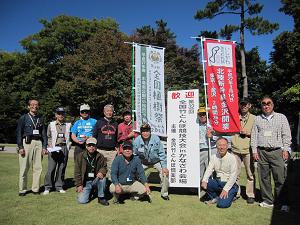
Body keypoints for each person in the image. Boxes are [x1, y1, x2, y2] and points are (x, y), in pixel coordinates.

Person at [251, 96, 292, 209]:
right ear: (261, 106)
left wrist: (286, 149)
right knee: (264, 178)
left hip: (277, 151)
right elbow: (254, 136)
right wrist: (254, 151)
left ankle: (283, 202)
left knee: (280, 178)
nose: (266, 105)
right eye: (264, 104)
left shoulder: (281, 117)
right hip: (262, 152)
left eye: (269, 103)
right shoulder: (258, 119)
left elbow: (286, 135)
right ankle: (268, 200)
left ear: (273, 105)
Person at [16, 99, 47, 196]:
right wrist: (20, 146)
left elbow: (44, 134)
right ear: (28, 106)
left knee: (38, 167)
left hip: (38, 142)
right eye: (32, 105)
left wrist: (44, 147)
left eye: (36, 105)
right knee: (24, 167)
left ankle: (35, 189)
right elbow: (19, 133)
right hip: (27, 143)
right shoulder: (23, 118)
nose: (35, 106)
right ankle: (22, 190)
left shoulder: (41, 118)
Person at [133, 123, 169, 200]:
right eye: (143, 131)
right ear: (141, 132)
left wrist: (164, 167)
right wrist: (136, 167)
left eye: (147, 131)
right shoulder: (136, 141)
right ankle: (139, 192)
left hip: (156, 161)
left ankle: (164, 193)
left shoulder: (156, 139)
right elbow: (135, 155)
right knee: (135, 173)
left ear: (150, 131)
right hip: (143, 162)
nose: (145, 133)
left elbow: (162, 154)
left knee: (164, 173)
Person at [231, 98, 256, 204]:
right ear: (239, 105)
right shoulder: (234, 117)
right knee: (235, 173)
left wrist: (248, 133)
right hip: (235, 149)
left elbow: (258, 134)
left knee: (250, 173)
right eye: (242, 104)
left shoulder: (255, 118)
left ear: (250, 105)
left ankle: (250, 194)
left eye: (246, 104)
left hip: (248, 149)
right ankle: (236, 193)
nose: (244, 106)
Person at [201, 137, 238, 208]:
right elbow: (209, 169)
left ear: (227, 146)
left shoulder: (232, 158)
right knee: (204, 182)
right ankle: (216, 197)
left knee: (222, 205)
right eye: (219, 145)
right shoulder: (213, 157)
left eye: (224, 145)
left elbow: (233, 176)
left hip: (229, 184)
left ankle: (231, 196)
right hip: (218, 182)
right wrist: (204, 180)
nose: (222, 147)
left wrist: (225, 189)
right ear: (216, 146)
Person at [43, 107, 72, 195]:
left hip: (64, 148)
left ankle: (59, 186)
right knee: (51, 168)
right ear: (56, 115)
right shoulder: (51, 124)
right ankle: (48, 187)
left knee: (62, 168)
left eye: (62, 113)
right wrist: (49, 145)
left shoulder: (68, 125)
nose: (61, 115)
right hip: (54, 148)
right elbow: (48, 136)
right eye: (59, 113)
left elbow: (71, 136)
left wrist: (69, 146)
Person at [74, 137, 109, 205]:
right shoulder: (80, 156)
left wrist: (101, 172)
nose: (91, 147)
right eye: (89, 145)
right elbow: (77, 172)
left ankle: (101, 197)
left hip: (96, 180)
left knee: (103, 179)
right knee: (82, 201)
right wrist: (79, 185)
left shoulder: (100, 156)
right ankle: (90, 191)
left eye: (93, 145)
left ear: (96, 147)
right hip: (86, 182)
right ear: (86, 146)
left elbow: (104, 167)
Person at [93, 104, 118, 179]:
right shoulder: (99, 122)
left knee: (112, 171)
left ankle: (109, 189)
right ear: (104, 112)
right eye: (107, 111)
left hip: (112, 152)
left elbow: (117, 137)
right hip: (100, 150)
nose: (109, 112)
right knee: (99, 170)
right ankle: (98, 188)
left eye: (111, 111)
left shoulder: (115, 123)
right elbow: (94, 136)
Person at [197, 107, 217, 180]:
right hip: (200, 149)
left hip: (211, 149)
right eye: (200, 114)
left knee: (212, 170)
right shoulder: (195, 124)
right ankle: (199, 188)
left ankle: (212, 187)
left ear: (207, 114)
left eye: (204, 114)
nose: (202, 116)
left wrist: (212, 136)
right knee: (199, 169)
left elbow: (219, 137)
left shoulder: (212, 123)